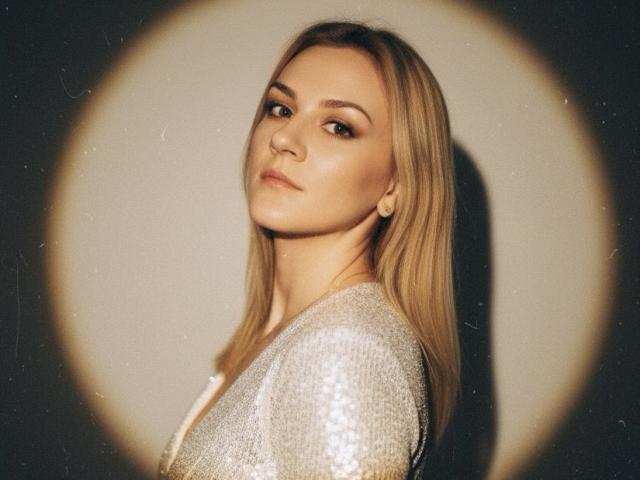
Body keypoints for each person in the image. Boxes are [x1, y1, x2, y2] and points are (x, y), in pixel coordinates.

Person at [159, 20, 460, 479]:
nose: (283, 138)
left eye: (338, 127)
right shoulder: (300, 335)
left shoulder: (340, 353)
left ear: (395, 185)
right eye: (280, 109)